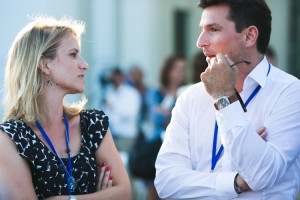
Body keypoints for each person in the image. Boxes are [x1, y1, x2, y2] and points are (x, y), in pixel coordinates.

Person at [155, 0, 300, 199]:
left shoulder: (291, 92)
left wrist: (224, 96)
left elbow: (262, 175)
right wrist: (235, 182)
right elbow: (166, 183)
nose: (200, 42)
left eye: (213, 29)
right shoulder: (190, 98)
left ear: (249, 36)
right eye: (202, 30)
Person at [0, 16, 131, 200]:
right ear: (45, 65)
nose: (84, 65)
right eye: (73, 54)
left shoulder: (92, 124)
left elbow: (124, 193)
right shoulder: (11, 139)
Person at [103, 67, 141, 154]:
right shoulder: (109, 92)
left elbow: (131, 113)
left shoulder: (131, 93)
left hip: (126, 135)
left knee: (123, 161)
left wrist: (113, 106)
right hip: (111, 135)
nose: (114, 79)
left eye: (116, 77)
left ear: (121, 77)